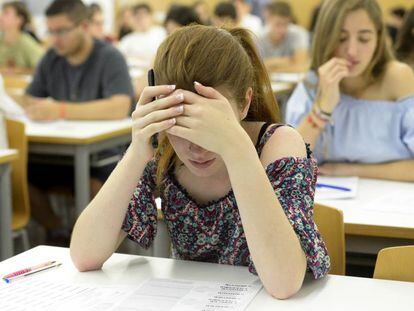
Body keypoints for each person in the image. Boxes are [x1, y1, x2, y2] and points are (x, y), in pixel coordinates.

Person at [70, 25, 330, 299]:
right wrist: (137, 151)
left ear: (244, 103)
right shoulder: (163, 150)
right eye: (182, 125)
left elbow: (283, 283)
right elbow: (84, 256)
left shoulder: (278, 144)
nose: (196, 146)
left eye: (211, 124)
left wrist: (237, 149)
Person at [24, 0, 135, 245]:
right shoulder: (51, 59)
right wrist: (33, 107)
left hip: (103, 153)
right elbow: (30, 97)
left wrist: (60, 109)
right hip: (58, 153)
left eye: (61, 31)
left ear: (84, 26)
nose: (55, 38)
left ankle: (97, 242)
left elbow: (119, 106)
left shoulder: (109, 57)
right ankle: (59, 233)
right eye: (50, 31)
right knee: (20, 178)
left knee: (96, 183)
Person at [285, 0, 414, 182]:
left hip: (391, 199)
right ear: (325, 38)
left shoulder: (398, 78)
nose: (352, 51)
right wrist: (322, 108)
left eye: (364, 39)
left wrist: (350, 170)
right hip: (329, 200)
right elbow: (289, 164)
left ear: (378, 39)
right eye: (341, 38)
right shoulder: (315, 80)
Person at [257, 1, 309, 72]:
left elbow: (301, 66)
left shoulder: (298, 34)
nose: (282, 30)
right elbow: (257, 68)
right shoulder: (258, 38)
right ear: (268, 19)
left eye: (286, 24)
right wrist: (285, 61)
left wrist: (269, 65)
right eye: (278, 24)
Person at [0, 1, 43, 72]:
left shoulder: (27, 43)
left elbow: (43, 69)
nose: (0, 17)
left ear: (19, 20)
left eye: (6, 13)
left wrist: (17, 71)